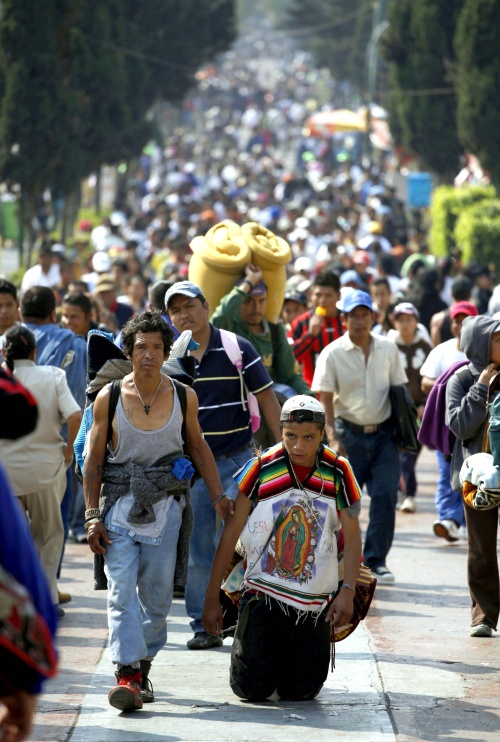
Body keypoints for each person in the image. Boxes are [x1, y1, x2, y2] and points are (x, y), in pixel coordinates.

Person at [83, 310, 227, 712]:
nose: (148, 354)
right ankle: (126, 672)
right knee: (120, 591)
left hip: (168, 509)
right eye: (141, 347)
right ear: (129, 352)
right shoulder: (108, 398)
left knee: (159, 600)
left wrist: (219, 498)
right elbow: (93, 460)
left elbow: (198, 447)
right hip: (118, 507)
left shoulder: (184, 395)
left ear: (166, 353)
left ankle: (142, 665)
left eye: (157, 347)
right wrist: (92, 515)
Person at [202, 396, 362, 701]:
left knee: (301, 692)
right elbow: (231, 531)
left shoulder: (338, 471)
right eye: (291, 436)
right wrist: (211, 596)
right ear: (281, 431)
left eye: (309, 438)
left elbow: (353, 539)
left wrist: (348, 591)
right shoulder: (262, 467)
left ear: (321, 435)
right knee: (251, 689)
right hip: (264, 593)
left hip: (313, 603)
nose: (298, 446)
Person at [165, 280, 282, 649]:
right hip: (195, 467)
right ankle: (204, 624)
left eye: (189, 306)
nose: (183, 315)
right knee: (200, 547)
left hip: (239, 461)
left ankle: (240, 615)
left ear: (206, 306)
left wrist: (283, 452)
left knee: (244, 539)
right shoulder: (169, 358)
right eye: (175, 309)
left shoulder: (236, 347)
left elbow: (267, 399)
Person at [312, 290, 408, 583]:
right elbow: (324, 397)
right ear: (344, 319)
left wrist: (404, 432)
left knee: (384, 494)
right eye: (354, 315)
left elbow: (398, 392)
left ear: (372, 317)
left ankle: (376, 561)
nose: (359, 320)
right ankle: (341, 561)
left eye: (364, 314)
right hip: (348, 434)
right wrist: (331, 436)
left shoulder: (388, 349)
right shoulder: (332, 352)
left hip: (383, 436)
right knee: (345, 502)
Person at [1, 326, 81, 612]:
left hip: (5, 474)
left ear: (4, 353)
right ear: (35, 352)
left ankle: (11, 604)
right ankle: (45, 599)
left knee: (6, 542)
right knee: (47, 538)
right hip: (46, 472)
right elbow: (74, 415)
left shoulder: (2, 379)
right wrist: (69, 450)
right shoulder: (53, 375)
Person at [446, 314, 500, 638]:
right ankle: (484, 616)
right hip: (476, 478)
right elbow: (460, 425)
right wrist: (481, 387)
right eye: (497, 339)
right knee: (480, 548)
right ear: (479, 344)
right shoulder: (461, 380)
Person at [420, 300, 478, 541]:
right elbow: (425, 382)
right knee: (447, 473)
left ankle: (466, 521)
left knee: (473, 474)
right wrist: (450, 389)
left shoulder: (485, 351)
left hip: (476, 427)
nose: (460, 325)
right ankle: (447, 519)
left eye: (465, 320)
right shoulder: (442, 351)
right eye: (456, 320)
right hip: (448, 426)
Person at [211, 263, 312, 396]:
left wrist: (310, 398)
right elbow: (220, 317)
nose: (256, 308)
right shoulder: (228, 328)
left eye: (261, 301)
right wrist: (249, 282)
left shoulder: (275, 332)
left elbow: (289, 377)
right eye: (249, 301)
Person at [387, 302, 432, 512]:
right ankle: (408, 494)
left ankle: (402, 489)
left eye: (409, 319)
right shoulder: (387, 347)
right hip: (394, 409)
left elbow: (432, 378)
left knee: (411, 453)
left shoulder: (425, 347)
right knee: (404, 452)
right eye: (400, 320)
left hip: (419, 409)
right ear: (394, 322)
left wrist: (424, 403)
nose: (405, 324)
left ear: (416, 321)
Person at [289, 271, 344, 388]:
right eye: (318, 295)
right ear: (311, 295)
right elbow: (289, 359)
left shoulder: (346, 322)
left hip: (344, 390)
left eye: (328, 295)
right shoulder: (300, 323)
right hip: (313, 391)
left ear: (338, 296)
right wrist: (309, 335)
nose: (322, 301)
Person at [0, 279, 20, 358]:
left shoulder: (25, 336)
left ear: (17, 304)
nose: (4, 311)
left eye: (9, 305)